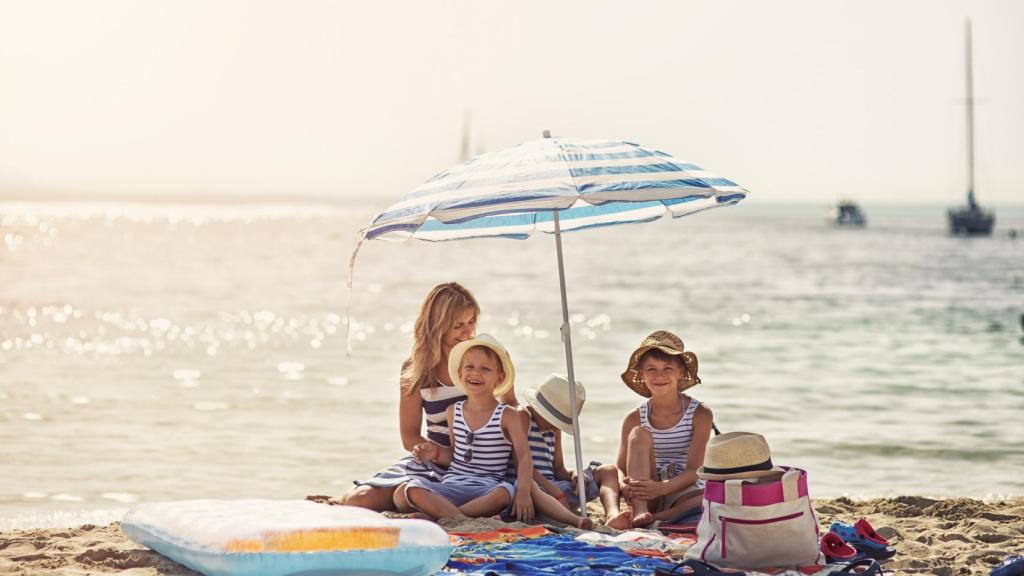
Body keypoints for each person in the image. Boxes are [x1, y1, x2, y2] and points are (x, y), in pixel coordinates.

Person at [339, 282, 516, 512]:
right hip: (435, 460)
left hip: (483, 466)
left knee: (407, 500)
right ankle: (337, 499)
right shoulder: (416, 369)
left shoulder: (486, 360)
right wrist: (438, 455)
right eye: (458, 325)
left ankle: (439, 507)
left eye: (471, 322)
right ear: (437, 326)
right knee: (360, 500)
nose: (468, 332)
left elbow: (511, 407)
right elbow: (409, 435)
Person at [403, 335, 534, 521]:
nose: (475, 373)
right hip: (452, 485)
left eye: (485, 369)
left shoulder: (508, 415)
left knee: (506, 492)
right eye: (469, 367)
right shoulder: (452, 412)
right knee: (413, 488)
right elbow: (455, 455)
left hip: (487, 489)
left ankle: (447, 516)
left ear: (500, 378)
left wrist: (523, 491)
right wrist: (435, 453)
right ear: (460, 373)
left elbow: (523, 456)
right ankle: (460, 517)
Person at [604, 330, 713, 529]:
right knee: (638, 434)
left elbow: (694, 470)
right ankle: (640, 511)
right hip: (645, 492)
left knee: (710, 495)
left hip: (681, 488)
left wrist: (662, 488)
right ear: (642, 374)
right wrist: (625, 484)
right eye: (651, 369)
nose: (659, 375)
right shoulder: (635, 417)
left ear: (681, 372)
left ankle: (659, 517)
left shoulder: (700, 413)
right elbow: (620, 467)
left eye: (668, 368)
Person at [518, 374, 600, 529]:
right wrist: (554, 491)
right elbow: (520, 463)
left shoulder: (554, 430)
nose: (557, 427)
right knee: (535, 490)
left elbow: (558, 469)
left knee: (605, 472)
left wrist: (574, 474)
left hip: (553, 487)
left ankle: (611, 514)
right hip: (530, 486)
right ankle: (572, 519)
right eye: (555, 421)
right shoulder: (523, 417)